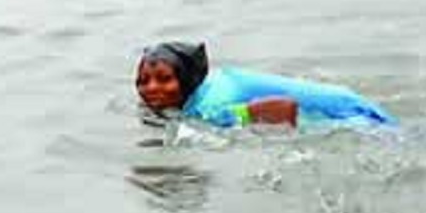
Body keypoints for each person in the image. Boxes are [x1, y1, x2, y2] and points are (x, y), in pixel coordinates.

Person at [135, 42, 396, 131]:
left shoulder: (210, 109)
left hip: (359, 121)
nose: (151, 88)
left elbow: (285, 108)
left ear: (185, 79)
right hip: (345, 100)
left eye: (164, 79)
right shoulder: (208, 83)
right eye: (143, 81)